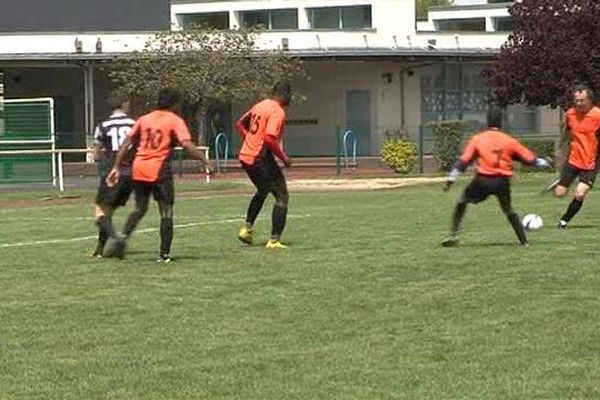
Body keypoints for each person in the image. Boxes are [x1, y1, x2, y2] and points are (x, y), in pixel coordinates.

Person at [104, 88, 212, 262]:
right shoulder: (174, 120)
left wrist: (116, 166)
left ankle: (121, 239)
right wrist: (205, 160)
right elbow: (186, 144)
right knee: (166, 211)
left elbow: (127, 143)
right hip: (159, 169)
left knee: (139, 208)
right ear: (175, 104)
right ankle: (164, 254)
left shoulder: (144, 119)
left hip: (139, 168)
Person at [442, 104, 550, 247]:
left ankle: (453, 235)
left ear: (487, 121)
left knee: (462, 201)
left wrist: (451, 178)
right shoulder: (509, 140)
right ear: (501, 122)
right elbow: (529, 159)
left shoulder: (478, 139)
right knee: (508, 209)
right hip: (502, 181)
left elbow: (464, 161)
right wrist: (545, 162)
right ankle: (523, 241)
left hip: (482, 180)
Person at [235, 81, 293, 249]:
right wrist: (284, 158)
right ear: (285, 94)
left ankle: (246, 229)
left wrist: (249, 140)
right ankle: (274, 241)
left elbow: (240, 124)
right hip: (260, 158)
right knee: (282, 196)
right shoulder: (277, 111)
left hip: (246, 156)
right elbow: (269, 138)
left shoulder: (260, 105)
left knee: (263, 190)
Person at [547, 85, 600, 228]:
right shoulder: (570, 114)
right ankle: (561, 183)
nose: (579, 103)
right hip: (573, 161)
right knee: (559, 193)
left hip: (590, 163)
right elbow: (567, 134)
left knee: (580, 194)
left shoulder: (597, 115)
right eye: (576, 100)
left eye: (582, 100)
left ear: (590, 100)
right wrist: (561, 151)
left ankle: (563, 222)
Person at [91, 94, 136, 258]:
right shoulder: (134, 123)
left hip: (114, 172)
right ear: (124, 105)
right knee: (108, 213)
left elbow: (96, 152)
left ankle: (118, 238)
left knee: (100, 211)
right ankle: (99, 250)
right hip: (132, 172)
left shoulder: (103, 125)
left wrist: (102, 160)